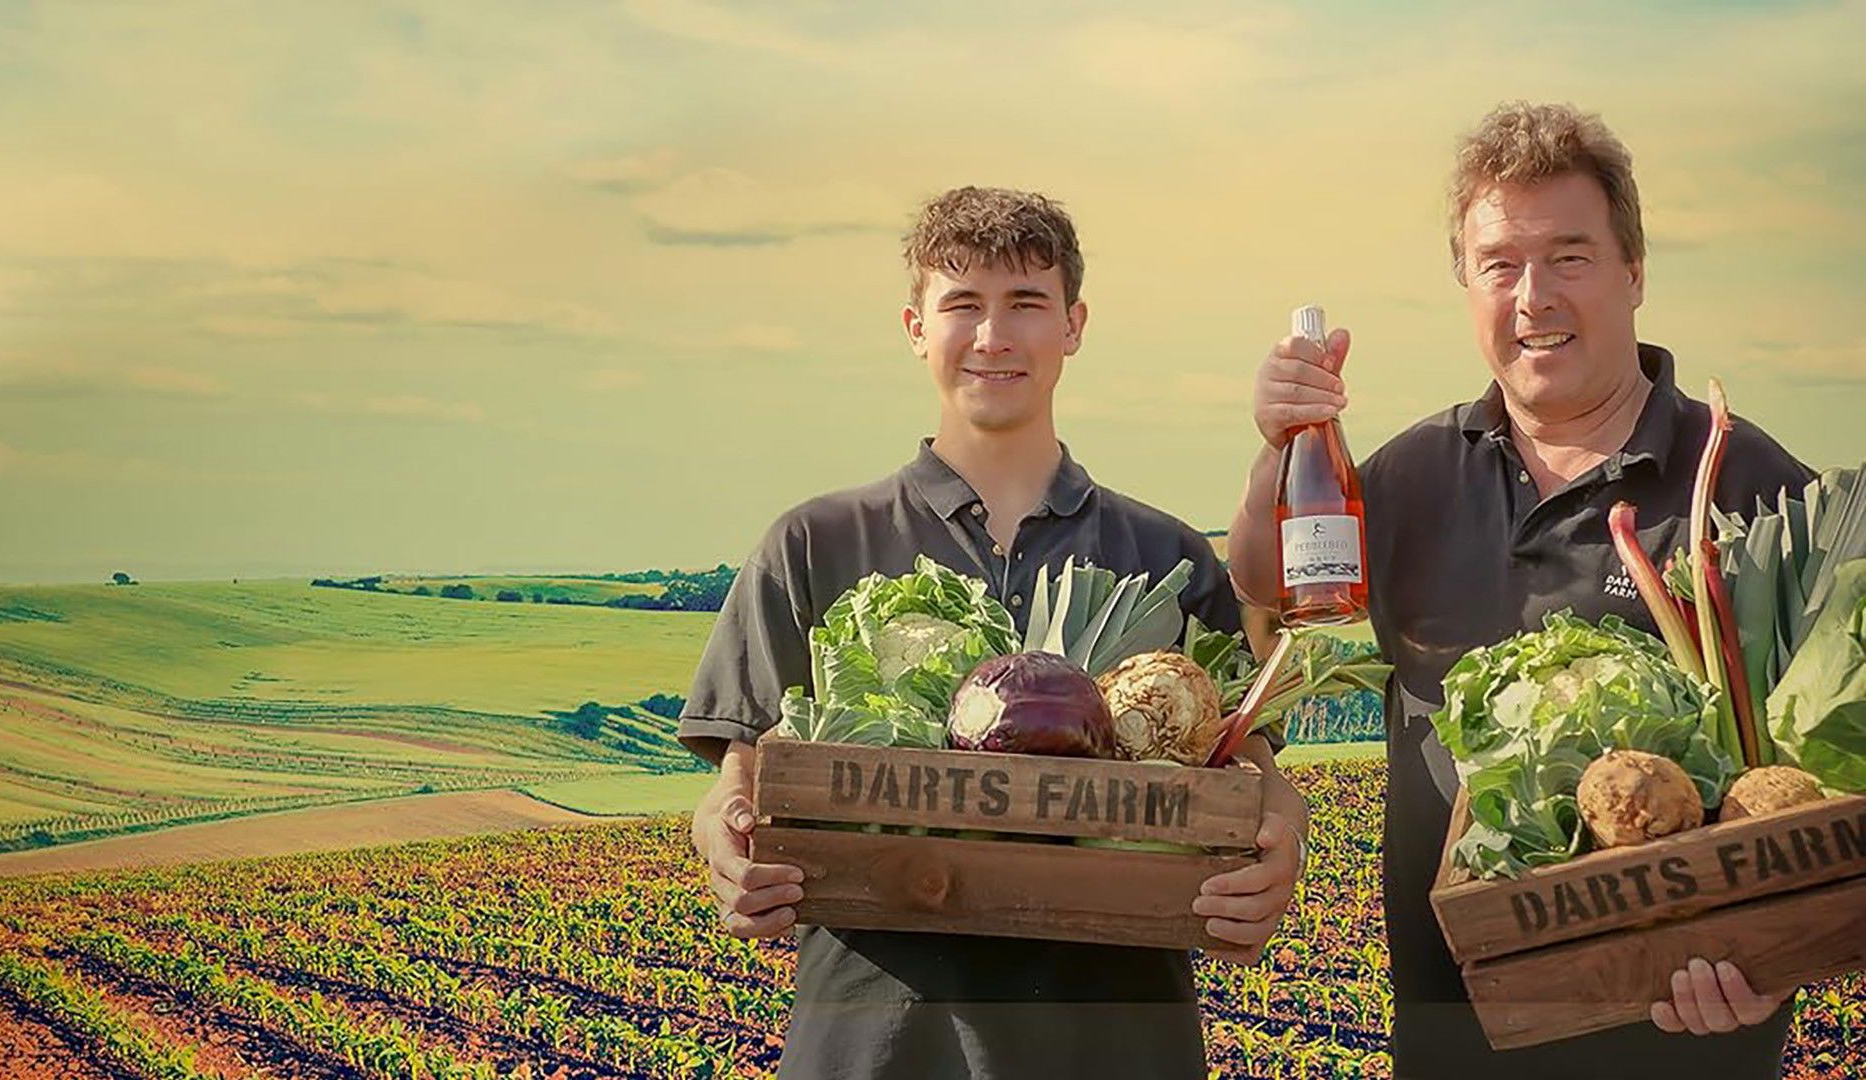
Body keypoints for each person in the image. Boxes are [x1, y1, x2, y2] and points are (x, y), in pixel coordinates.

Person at [1225, 101, 1816, 1078]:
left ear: (1633, 271)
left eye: (1570, 256)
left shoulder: (1750, 486)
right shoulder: (1410, 476)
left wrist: (1777, 949)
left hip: (1688, 1046)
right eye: (1500, 263)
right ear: (1467, 285)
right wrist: (1277, 448)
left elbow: (1826, 787)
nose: (1533, 295)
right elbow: (1261, 579)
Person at [680, 185, 1310, 1079]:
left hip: (1117, 1045)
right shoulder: (815, 543)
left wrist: (1281, 843)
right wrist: (726, 843)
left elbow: (1250, 773)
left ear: (1074, 324)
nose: (992, 336)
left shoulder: (1164, 555)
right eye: (962, 304)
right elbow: (738, 770)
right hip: (876, 1044)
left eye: (1025, 304)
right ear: (914, 326)